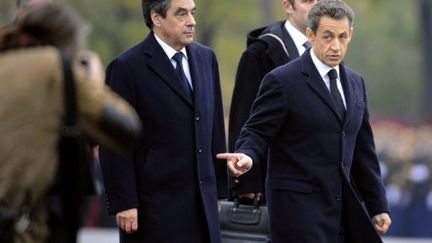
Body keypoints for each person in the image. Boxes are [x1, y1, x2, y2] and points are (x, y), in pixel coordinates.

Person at [217, 1, 391, 242]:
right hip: (297, 213)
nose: (336, 46)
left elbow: (364, 149)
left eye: (342, 37)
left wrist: (377, 204)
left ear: (351, 35)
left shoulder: (355, 82)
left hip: (342, 211)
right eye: (328, 37)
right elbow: (255, 131)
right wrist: (246, 156)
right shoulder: (282, 80)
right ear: (311, 35)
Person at [0, 3, 141, 243]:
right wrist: (92, 83)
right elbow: (126, 129)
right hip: (23, 230)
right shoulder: (55, 67)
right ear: (67, 42)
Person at [99, 0, 227, 242]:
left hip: (203, 205)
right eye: (181, 14)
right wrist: (124, 202)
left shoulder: (206, 58)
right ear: (156, 18)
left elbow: (215, 129)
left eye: (192, 13)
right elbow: (113, 141)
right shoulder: (126, 67)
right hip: (153, 209)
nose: (192, 21)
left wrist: (218, 192)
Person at [228, 0, 319, 201]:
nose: (316, 6)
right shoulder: (261, 53)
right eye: (307, 1)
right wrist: (247, 183)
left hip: (317, 182)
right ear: (288, 6)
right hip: (275, 180)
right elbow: (244, 116)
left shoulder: (328, 52)